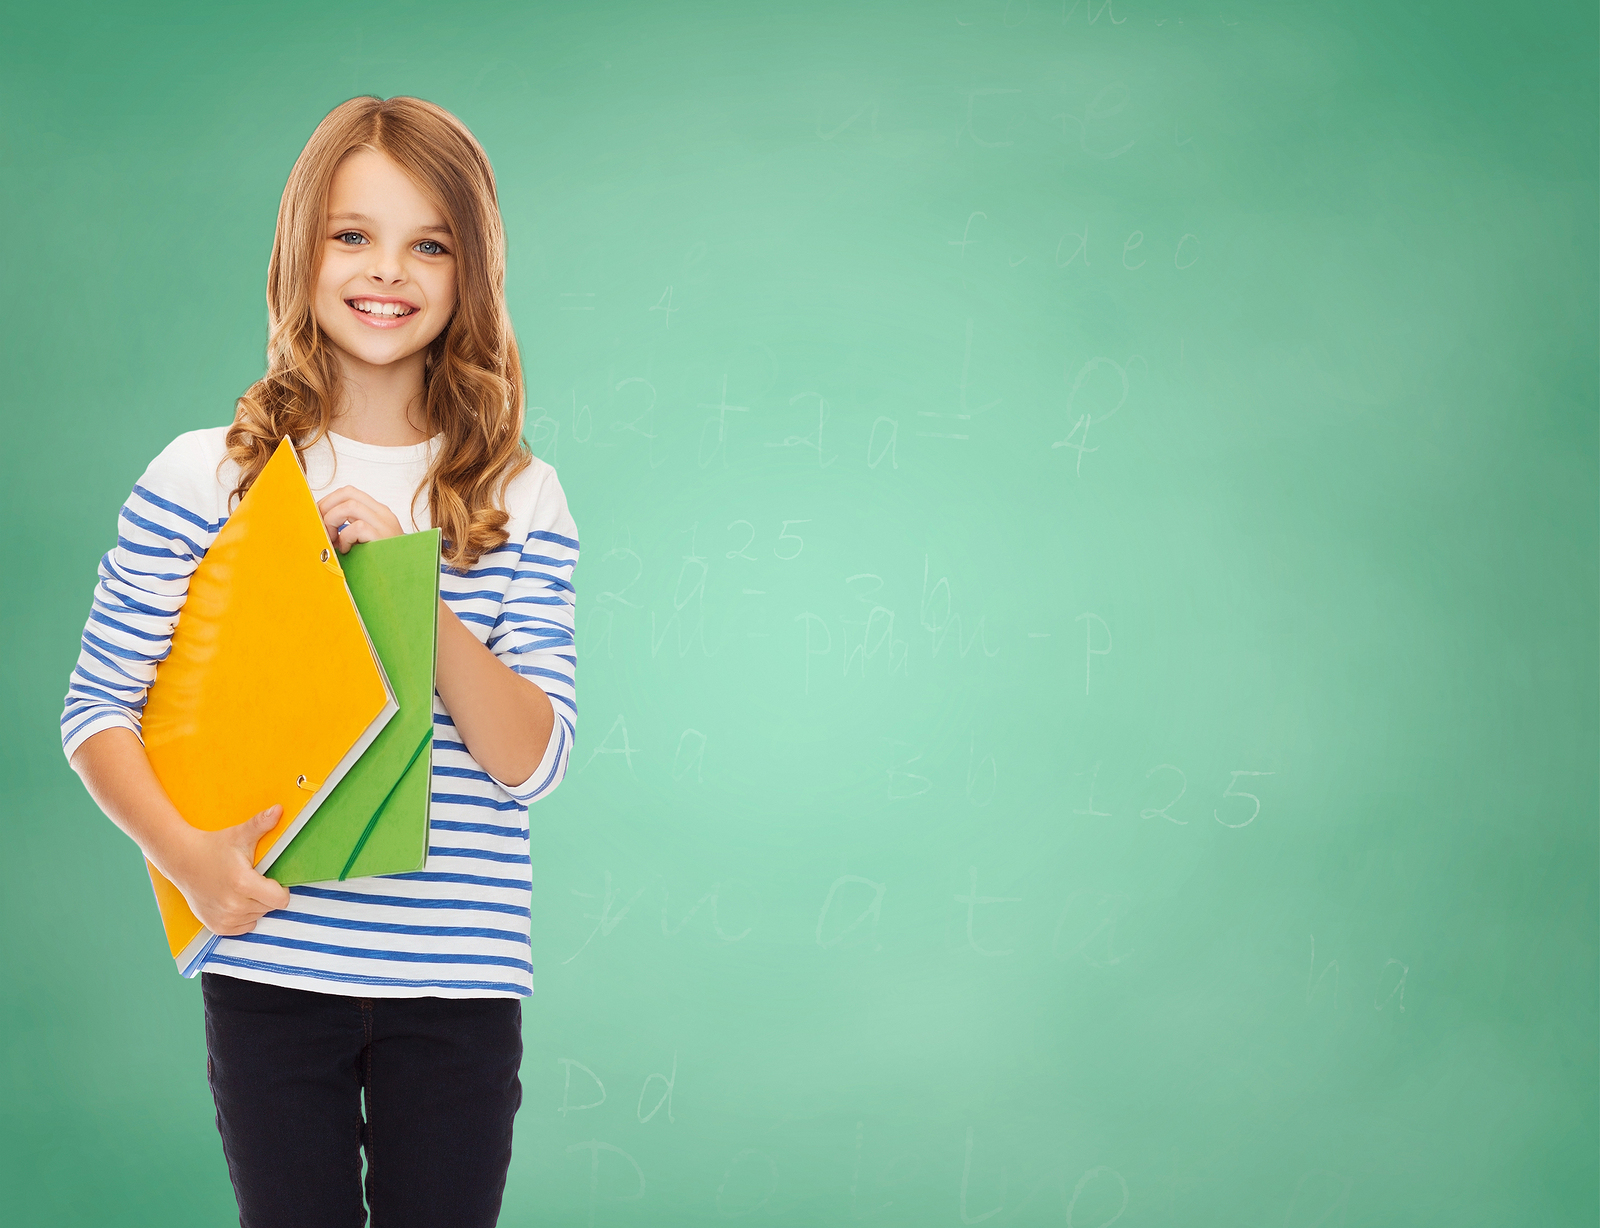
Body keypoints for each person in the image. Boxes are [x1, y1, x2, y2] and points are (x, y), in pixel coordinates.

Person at [59, 95, 577, 1228]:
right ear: (302, 251)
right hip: (272, 964)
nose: (386, 270)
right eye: (353, 234)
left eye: (427, 243)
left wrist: (413, 587)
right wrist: (189, 860)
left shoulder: (516, 494)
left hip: (456, 983)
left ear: (469, 270)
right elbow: (98, 708)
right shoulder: (209, 476)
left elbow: (532, 761)